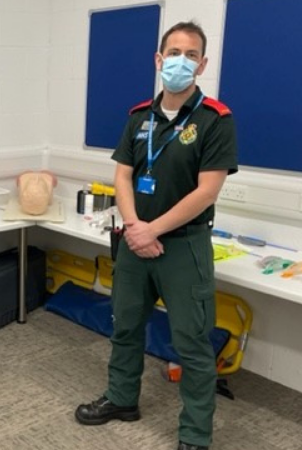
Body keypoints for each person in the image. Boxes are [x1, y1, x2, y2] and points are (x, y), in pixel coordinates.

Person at [74, 22, 238, 450]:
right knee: (125, 325)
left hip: (183, 246)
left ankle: (195, 436)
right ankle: (122, 398)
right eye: (174, 52)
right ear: (158, 60)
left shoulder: (215, 120)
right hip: (134, 242)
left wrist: (152, 229)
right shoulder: (138, 117)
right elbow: (122, 176)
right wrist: (134, 228)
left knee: (191, 342)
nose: (181, 61)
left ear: (202, 64)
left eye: (191, 54)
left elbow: (207, 191)